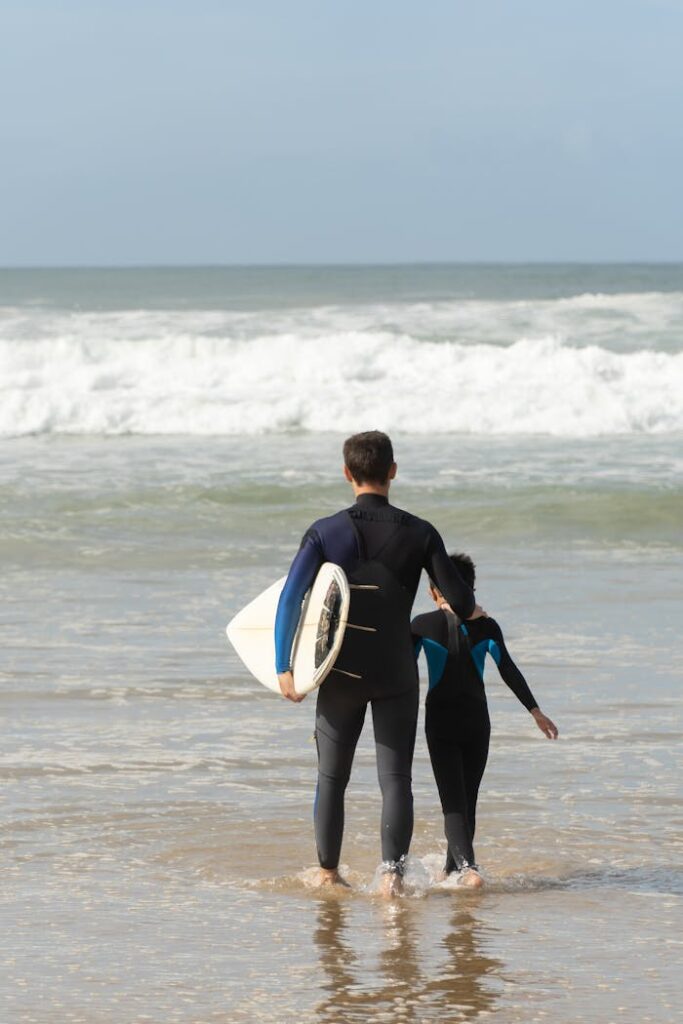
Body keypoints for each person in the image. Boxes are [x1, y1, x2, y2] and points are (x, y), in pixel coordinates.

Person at [274, 431, 486, 895]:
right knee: (395, 779)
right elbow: (460, 598)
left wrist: (284, 666)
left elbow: (291, 597)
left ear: (347, 473)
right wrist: (471, 611)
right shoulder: (421, 531)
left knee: (332, 776)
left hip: (340, 672)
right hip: (395, 671)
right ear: (393, 470)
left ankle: (329, 872)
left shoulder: (325, 531)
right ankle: (391, 875)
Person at [411, 552, 558, 888]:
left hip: (441, 723)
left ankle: (467, 870)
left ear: (434, 592)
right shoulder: (488, 626)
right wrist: (535, 711)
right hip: (478, 723)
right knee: (468, 797)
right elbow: (508, 669)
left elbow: (400, 669)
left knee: (453, 802)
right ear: (471, 589)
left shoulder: (421, 625)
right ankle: (453, 870)